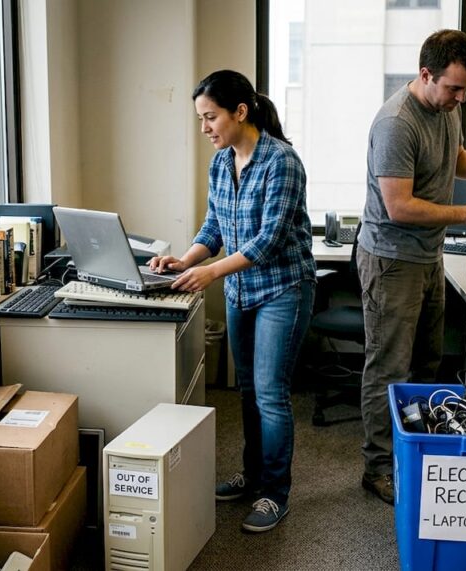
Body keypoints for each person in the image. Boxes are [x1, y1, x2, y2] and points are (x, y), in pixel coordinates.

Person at [357, 30, 466, 504]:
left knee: (428, 364)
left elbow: (456, 161)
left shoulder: (446, 109)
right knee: (389, 368)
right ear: (425, 75)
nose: (460, 97)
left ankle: (420, 450)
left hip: (426, 257)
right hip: (391, 259)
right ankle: (378, 466)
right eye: (453, 88)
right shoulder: (396, 123)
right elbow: (399, 207)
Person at [149, 69, 316, 532]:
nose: (204, 128)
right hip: (242, 290)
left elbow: (268, 241)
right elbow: (214, 229)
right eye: (200, 118)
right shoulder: (221, 162)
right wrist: (183, 261)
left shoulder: (282, 161)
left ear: (240, 112)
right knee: (247, 393)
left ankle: (274, 493)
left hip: (283, 289)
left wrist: (210, 273)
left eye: (210, 117)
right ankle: (255, 475)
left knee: (270, 394)